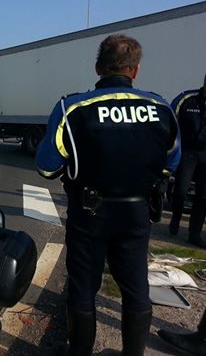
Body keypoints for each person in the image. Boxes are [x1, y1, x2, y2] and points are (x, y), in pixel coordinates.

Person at [36, 34, 181, 356]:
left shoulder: (71, 107)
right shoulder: (160, 107)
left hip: (89, 214)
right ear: (136, 70)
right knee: (135, 287)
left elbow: (46, 167)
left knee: (84, 288)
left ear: (98, 67)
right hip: (136, 213)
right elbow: (172, 161)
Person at [168, 74, 206, 248]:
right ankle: (176, 216)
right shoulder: (187, 99)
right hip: (187, 152)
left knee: (203, 196)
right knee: (181, 190)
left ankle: (194, 233)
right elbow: (170, 118)